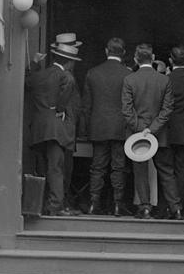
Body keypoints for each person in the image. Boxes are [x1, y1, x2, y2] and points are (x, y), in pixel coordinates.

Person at [24, 33, 83, 216]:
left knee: (43, 168)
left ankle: (42, 205)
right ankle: (55, 206)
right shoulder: (67, 76)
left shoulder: (40, 75)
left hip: (38, 129)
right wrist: (60, 108)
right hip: (57, 129)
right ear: (69, 62)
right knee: (56, 168)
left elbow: (26, 82)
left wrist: (33, 63)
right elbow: (66, 94)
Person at [121, 43, 175, 219]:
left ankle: (144, 207)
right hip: (160, 133)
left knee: (140, 171)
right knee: (166, 171)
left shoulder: (130, 80)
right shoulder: (164, 80)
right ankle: (176, 208)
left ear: (136, 59)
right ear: (152, 59)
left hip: (137, 133)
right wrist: (151, 130)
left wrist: (140, 131)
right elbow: (167, 110)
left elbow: (127, 111)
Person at [83, 37, 132, 217]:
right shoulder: (128, 75)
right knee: (118, 167)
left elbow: (86, 105)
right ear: (124, 53)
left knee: (97, 167)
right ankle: (118, 204)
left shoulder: (92, 73)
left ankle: (94, 203)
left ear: (106, 51)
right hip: (120, 127)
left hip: (99, 126)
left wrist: (87, 129)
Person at [153, 44, 184, 219]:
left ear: (170, 61)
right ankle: (179, 208)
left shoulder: (165, 80)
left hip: (166, 132)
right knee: (182, 172)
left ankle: (167, 208)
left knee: (166, 171)